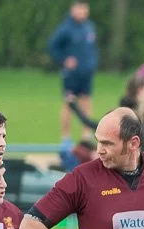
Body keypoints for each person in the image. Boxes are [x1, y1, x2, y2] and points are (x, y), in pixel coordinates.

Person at [48, 1, 98, 142]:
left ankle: (86, 136)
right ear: (73, 9)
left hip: (86, 73)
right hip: (71, 75)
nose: (83, 11)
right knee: (69, 104)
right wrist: (64, 59)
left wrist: (92, 63)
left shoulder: (89, 26)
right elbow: (52, 46)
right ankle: (66, 137)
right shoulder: (66, 28)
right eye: (79, 8)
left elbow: (91, 49)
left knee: (86, 102)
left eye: (85, 8)